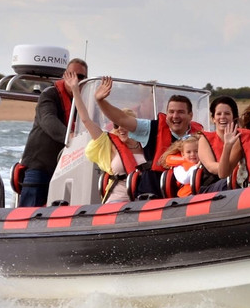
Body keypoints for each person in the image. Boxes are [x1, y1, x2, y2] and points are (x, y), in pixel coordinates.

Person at [96, 81, 217, 196]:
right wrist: (100, 101)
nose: (175, 116)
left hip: (188, 196)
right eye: (171, 112)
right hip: (152, 195)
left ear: (190, 115)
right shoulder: (150, 128)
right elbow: (121, 119)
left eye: (180, 112)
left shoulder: (200, 136)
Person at [17, 57, 90, 207]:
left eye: (80, 76)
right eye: (71, 74)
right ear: (64, 75)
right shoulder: (49, 95)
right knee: (29, 209)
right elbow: (48, 119)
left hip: (69, 168)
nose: (76, 79)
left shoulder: (85, 102)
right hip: (40, 165)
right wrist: (70, 137)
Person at [64, 70, 143, 203]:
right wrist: (75, 90)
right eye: (116, 125)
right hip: (117, 201)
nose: (120, 129)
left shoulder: (145, 144)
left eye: (125, 125)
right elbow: (86, 120)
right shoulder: (108, 143)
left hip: (143, 201)